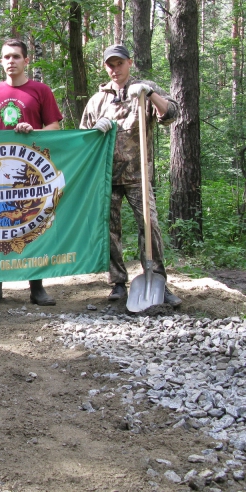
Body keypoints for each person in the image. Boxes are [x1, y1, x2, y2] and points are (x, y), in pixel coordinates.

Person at [80, 44, 182, 307]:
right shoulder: (97, 100)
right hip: (107, 177)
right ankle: (117, 283)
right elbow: (83, 140)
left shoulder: (144, 90)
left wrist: (149, 95)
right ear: (105, 67)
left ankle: (157, 279)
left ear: (130, 63)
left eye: (120, 64)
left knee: (149, 227)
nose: (115, 69)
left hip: (138, 175)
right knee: (111, 230)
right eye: (110, 65)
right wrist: (95, 133)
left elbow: (171, 114)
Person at [0, 38, 63, 306]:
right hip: (0, 169)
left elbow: (55, 128)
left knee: (32, 222)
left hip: (32, 169)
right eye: (6, 57)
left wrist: (33, 132)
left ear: (27, 60)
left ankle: (37, 287)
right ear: (1, 62)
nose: (11, 61)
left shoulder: (41, 90)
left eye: (16, 56)